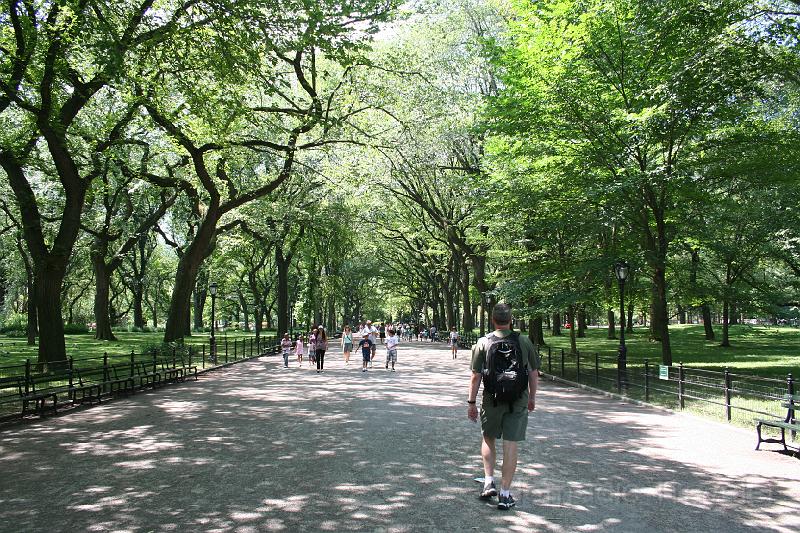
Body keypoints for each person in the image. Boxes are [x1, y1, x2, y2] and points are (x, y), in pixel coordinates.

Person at [467, 303, 539, 511]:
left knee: (488, 438)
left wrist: (471, 403)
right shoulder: (524, 342)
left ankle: (489, 481)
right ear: (511, 319)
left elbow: (475, 376)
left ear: (492, 320)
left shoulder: (483, 342)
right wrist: (532, 398)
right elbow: (533, 374)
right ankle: (505, 494)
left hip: (492, 398)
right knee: (511, 443)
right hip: (518, 398)